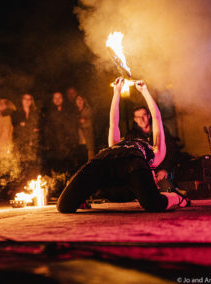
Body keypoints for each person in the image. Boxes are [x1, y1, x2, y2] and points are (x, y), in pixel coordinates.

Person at [57, 77, 190, 213]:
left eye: (154, 184)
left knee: (152, 204)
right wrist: (130, 91)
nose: (155, 182)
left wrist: (118, 92)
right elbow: (155, 119)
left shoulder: (130, 167)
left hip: (112, 164)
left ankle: (176, 198)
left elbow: (114, 123)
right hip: (104, 161)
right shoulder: (156, 155)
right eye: (155, 183)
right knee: (63, 206)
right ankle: (177, 198)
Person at [125, 106, 180, 191]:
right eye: (138, 117)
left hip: (160, 173)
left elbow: (172, 151)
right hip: (142, 176)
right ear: (135, 119)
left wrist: (165, 169)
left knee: (167, 189)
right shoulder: (131, 136)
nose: (142, 119)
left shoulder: (161, 130)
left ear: (149, 116)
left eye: (144, 115)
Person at [43, 92, 79, 175]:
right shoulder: (49, 113)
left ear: (62, 99)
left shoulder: (69, 111)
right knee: (56, 169)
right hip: (54, 147)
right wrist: (48, 144)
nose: (57, 100)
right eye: (55, 98)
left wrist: (73, 142)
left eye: (59, 97)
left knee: (68, 170)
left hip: (68, 146)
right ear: (53, 100)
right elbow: (47, 129)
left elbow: (73, 127)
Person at [12, 93, 40, 178]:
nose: (27, 101)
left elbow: (38, 127)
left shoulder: (35, 113)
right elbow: (16, 126)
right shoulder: (16, 113)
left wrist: (26, 125)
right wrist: (28, 126)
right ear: (22, 100)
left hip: (33, 143)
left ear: (31, 101)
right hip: (21, 144)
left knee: (32, 166)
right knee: (21, 167)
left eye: (29, 99)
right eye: (25, 99)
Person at [75, 95, 95, 164]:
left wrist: (81, 121)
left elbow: (89, 123)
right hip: (78, 141)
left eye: (81, 99)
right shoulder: (74, 112)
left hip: (87, 141)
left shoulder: (88, 110)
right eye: (78, 99)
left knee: (89, 161)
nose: (79, 101)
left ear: (84, 101)